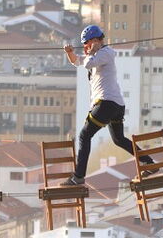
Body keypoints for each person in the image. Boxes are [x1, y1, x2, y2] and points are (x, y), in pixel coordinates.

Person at [63, 24, 153, 185]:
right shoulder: (96, 54)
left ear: (96, 40)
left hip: (106, 104)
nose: (85, 47)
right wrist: (70, 53)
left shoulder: (105, 53)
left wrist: (91, 52)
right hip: (115, 105)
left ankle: (78, 176)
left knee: (84, 135)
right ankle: (149, 163)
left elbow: (89, 63)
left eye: (88, 43)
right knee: (118, 139)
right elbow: (78, 62)